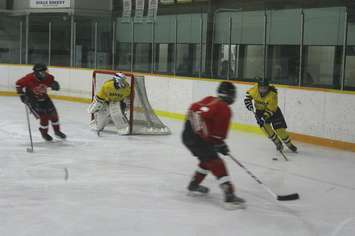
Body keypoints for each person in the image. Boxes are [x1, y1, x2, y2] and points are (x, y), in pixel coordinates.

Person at [182, 81, 246, 209]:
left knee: (207, 160)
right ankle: (229, 197)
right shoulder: (225, 109)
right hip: (198, 138)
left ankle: (194, 185)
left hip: (187, 134)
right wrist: (220, 144)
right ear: (232, 96)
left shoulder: (210, 99)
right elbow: (217, 137)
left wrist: (213, 141)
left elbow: (193, 110)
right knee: (217, 163)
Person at [244, 77, 297, 152]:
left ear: (268, 87)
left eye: (265, 88)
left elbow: (271, 109)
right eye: (261, 88)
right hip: (259, 111)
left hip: (274, 112)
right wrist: (248, 104)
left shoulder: (273, 94)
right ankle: (278, 143)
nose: (262, 90)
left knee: (280, 130)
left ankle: (289, 144)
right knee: (266, 130)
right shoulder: (254, 89)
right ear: (258, 87)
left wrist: (263, 118)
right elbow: (247, 97)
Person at [16, 63, 66, 141]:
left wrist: (54, 85)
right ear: (37, 72)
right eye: (43, 72)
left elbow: (52, 82)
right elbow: (18, 84)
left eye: (46, 71)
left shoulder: (48, 77)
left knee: (54, 115)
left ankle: (57, 131)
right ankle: (44, 133)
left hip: (44, 98)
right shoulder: (28, 78)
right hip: (32, 100)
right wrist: (21, 95)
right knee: (44, 117)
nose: (45, 73)